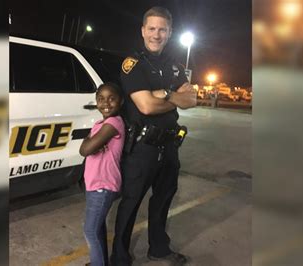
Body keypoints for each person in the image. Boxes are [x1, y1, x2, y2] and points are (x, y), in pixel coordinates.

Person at [110, 6, 197, 266]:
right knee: (131, 203)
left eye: (162, 29)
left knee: (163, 200)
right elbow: (145, 106)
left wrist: (162, 95)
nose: (156, 34)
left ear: (170, 33)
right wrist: (173, 96)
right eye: (151, 28)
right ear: (143, 31)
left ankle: (159, 249)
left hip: (170, 146)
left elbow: (191, 99)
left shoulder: (174, 65)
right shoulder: (132, 64)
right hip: (142, 148)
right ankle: (119, 258)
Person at [80, 82, 126, 266]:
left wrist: (88, 142)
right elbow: (90, 147)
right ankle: (99, 262)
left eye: (111, 98)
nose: (105, 103)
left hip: (103, 185)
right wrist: (91, 143)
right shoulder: (101, 124)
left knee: (90, 230)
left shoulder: (114, 123)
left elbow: (85, 150)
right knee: (97, 227)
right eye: (100, 99)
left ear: (121, 101)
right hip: (95, 184)